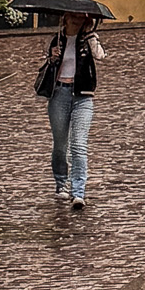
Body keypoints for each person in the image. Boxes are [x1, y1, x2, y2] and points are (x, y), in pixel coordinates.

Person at [36, 12, 106, 210]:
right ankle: (61, 183)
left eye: (81, 17)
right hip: (59, 94)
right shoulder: (56, 39)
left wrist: (91, 37)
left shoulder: (88, 40)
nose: (77, 20)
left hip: (83, 96)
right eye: (73, 17)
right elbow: (44, 65)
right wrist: (52, 58)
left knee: (79, 145)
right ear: (65, 18)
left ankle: (78, 192)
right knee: (60, 146)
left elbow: (100, 56)